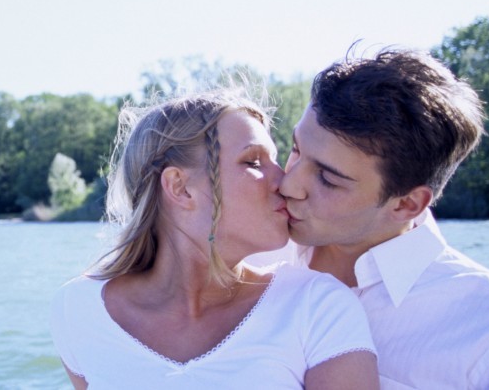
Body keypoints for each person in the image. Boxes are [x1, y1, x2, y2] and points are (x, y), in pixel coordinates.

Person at [50, 88, 379, 389]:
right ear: (180, 187)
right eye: (253, 162)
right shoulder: (79, 310)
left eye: (276, 160)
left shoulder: (318, 306)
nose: (285, 181)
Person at [274, 47, 489, 388]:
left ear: (407, 204)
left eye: (328, 179)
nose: (288, 184)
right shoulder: (244, 257)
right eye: (296, 149)